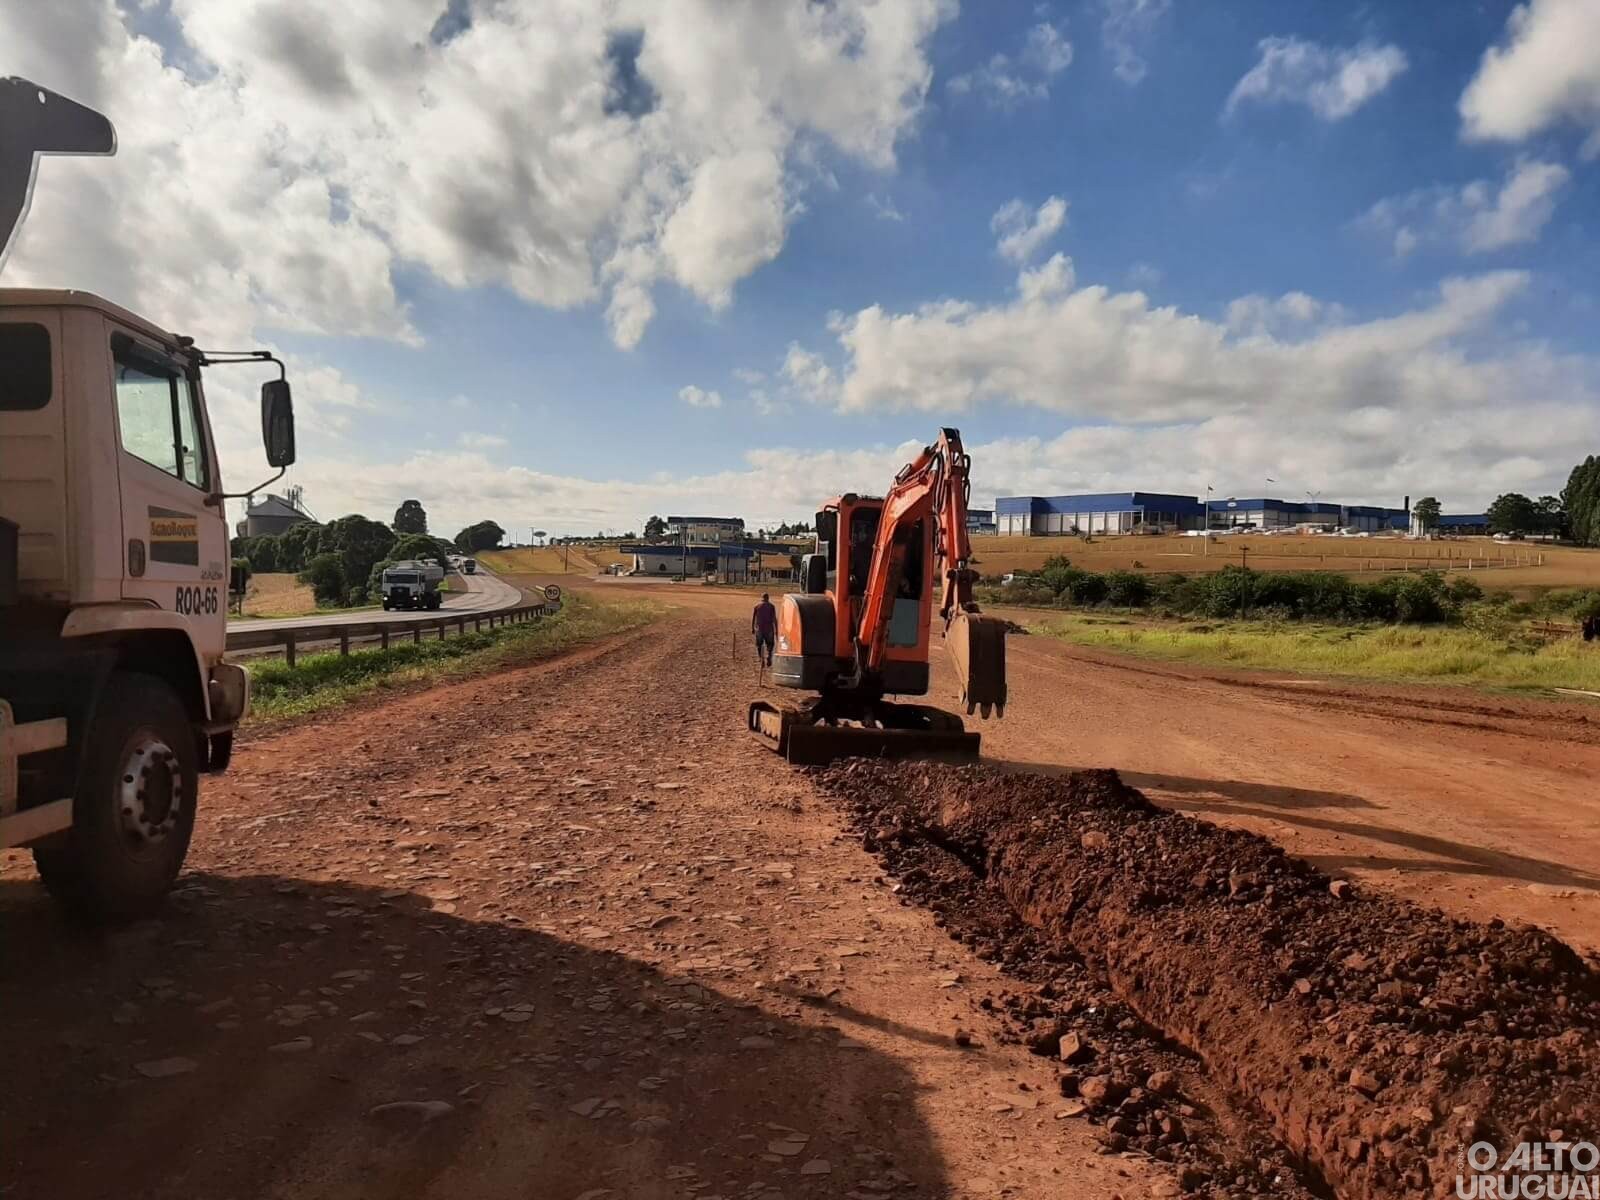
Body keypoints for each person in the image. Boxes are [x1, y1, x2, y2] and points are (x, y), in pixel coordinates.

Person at [752, 592, 777, 667]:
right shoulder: (772, 606)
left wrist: (752, 628)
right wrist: (776, 629)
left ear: (762, 598)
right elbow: (774, 618)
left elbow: (754, 618)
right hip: (769, 629)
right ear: (768, 598)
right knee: (770, 644)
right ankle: (769, 656)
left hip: (759, 628)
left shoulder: (757, 606)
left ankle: (761, 658)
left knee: (759, 644)